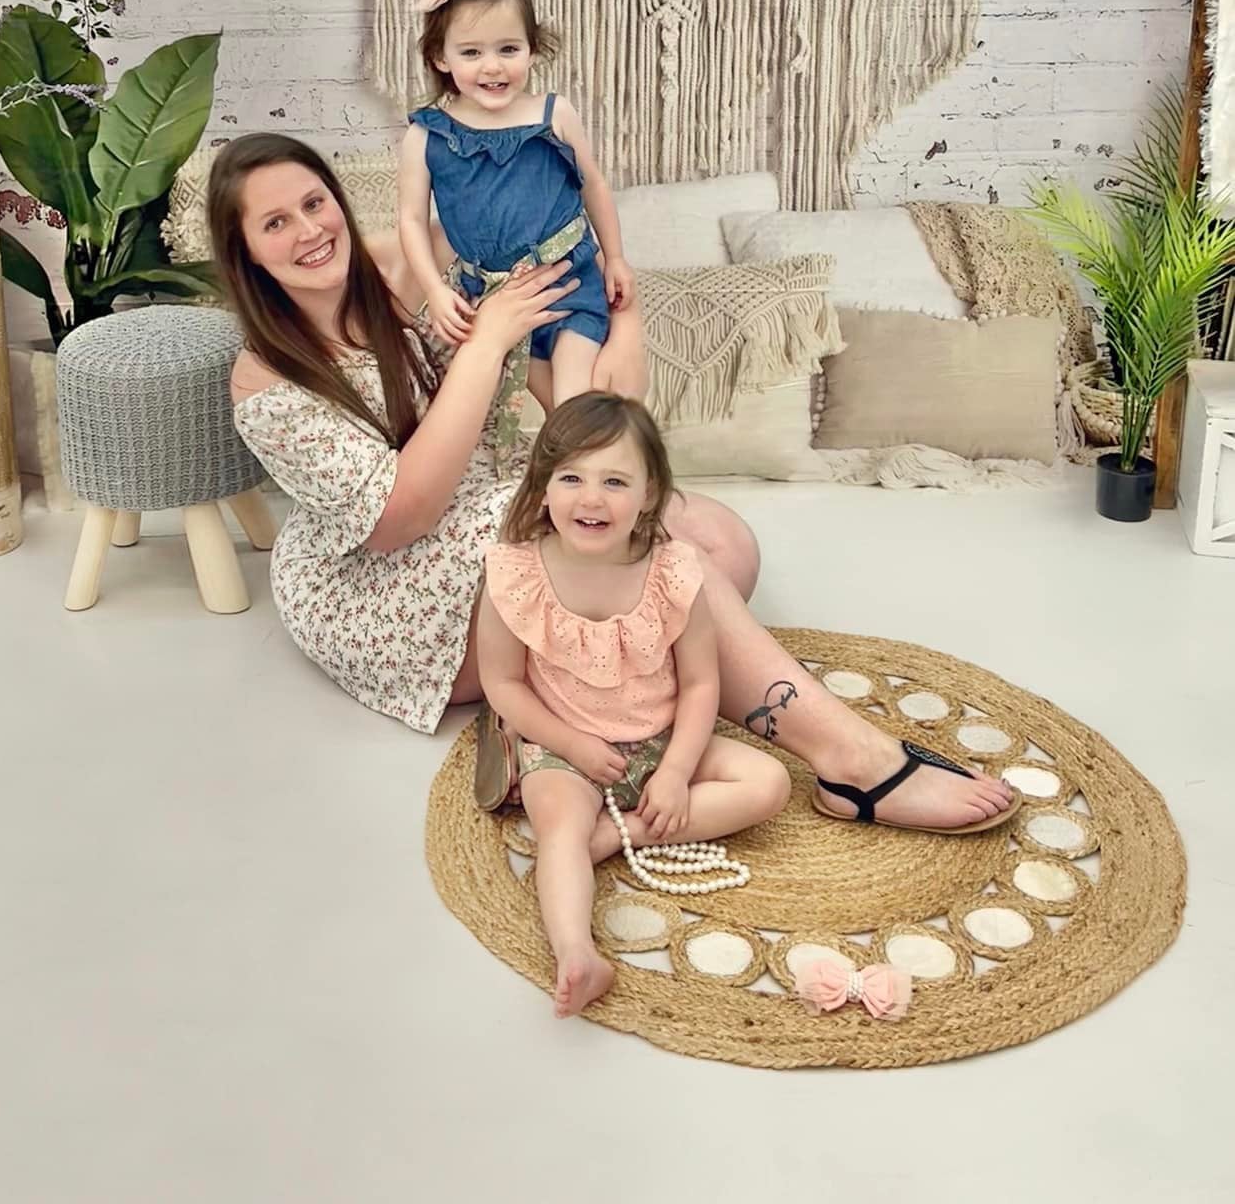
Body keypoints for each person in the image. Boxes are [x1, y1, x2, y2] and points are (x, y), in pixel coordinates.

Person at [211, 131, 1018, 836]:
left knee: (721, 546)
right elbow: (402, 516)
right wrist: (486, 343)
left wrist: (614, 319)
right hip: (384, 592)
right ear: (244, 252)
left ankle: (556, 711)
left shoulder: (400, 267)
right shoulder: (264, 379)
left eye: (314, 203)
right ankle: (851, 759)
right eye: (274, 223)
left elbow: (565, 354)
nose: (309, 232)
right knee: (619, 544)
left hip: (476, 511)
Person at [478, 392, 790, 1018]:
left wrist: (674, 772)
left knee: (770, 783)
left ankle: (612, 838)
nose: (591, 499)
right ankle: (576, 952)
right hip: (563, 747)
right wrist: (572, 745)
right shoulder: (517, 573)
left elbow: (700, 684)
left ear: (649, 494)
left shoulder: (672, 573)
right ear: (543, 486)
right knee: (558, 827)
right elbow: (503, 684)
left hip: (659, 739)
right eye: (571, 478)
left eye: (614, 481)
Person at [397, 0, 635, 434]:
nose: (493, 67)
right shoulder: (426, 135)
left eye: (508, 49)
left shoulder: (553, 113)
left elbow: (593, 184)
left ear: (531, 48)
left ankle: (600, 469)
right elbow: (411, 220)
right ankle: (559, 474)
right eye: (471, 52)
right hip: (490, 298)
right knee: (529, 414)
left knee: (575, 405)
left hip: (568, 283)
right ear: (440, 57)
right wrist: (435, 292)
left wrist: (615, 257)